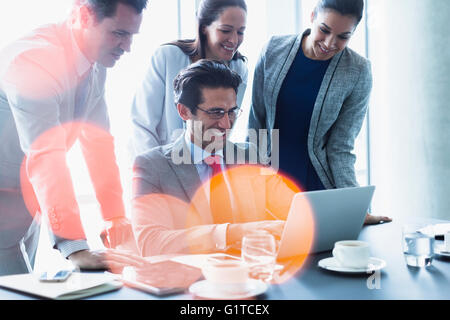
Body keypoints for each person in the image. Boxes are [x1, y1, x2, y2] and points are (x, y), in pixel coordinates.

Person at [0, 0, 148, 276]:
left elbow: (98, 143)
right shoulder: (33, 61)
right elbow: (46, 154)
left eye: (131, 35)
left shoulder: (96, 61)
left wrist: (114, 216)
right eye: (118, 33)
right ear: (84, 15)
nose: (127, 46)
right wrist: (76, 247)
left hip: (27, 205)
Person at [132, 60, 297, 257]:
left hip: (253, 275)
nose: (226, 124)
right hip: (190, 282)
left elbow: (294, 210)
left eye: (232, 112)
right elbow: (150, 243)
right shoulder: (152, 166)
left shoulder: (249, 155)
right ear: (184, 111)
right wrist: (231, 233)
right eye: (216, 112)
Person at [248, 0, 391, 225]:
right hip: (268, 186)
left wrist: (355, 207)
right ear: (313, 15)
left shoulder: (358, 71)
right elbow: (256, 124)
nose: (329, 43)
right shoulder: (273, 49)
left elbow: (341, 146)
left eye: (343, 37)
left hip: (319, 190)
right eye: (324, 30)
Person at [130, 0, 248, 158]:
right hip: (159, 164)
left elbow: (224, 128)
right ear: (204, 27)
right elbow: (143, 124)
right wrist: (156, 169)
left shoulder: (239, 69)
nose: (234, 40)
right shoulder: (168, 57)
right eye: (225, 30)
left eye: (240, 32)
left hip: (205, 167)